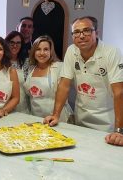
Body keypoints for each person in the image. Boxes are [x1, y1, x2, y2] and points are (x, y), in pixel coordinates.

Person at [44, 16, 123, 146]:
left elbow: (119, 92)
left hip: (107, 125)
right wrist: (56, 115)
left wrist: (119, 131)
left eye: (86, 30)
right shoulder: (71, 50)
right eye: (76, 32)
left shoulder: (111, 52)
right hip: (80, 121)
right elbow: (64, 85)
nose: (81, 36)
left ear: (96, 33)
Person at [24, 36, 72, 121]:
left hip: (58, 118)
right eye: (38, 49)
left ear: (51, 52)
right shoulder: (30, 69)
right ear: (33, 52)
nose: (42, 53)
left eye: (46, 49)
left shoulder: (59, 67)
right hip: (36, 118)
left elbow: (64, 92)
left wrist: (55, 115)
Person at [5, 31, 30, 114]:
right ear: (6, 43)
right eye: (12, 42)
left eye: (18, 43)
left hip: (23, 107)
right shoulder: (1, 62)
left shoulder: (26, 62)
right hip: (5, 107)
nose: (15, 45)